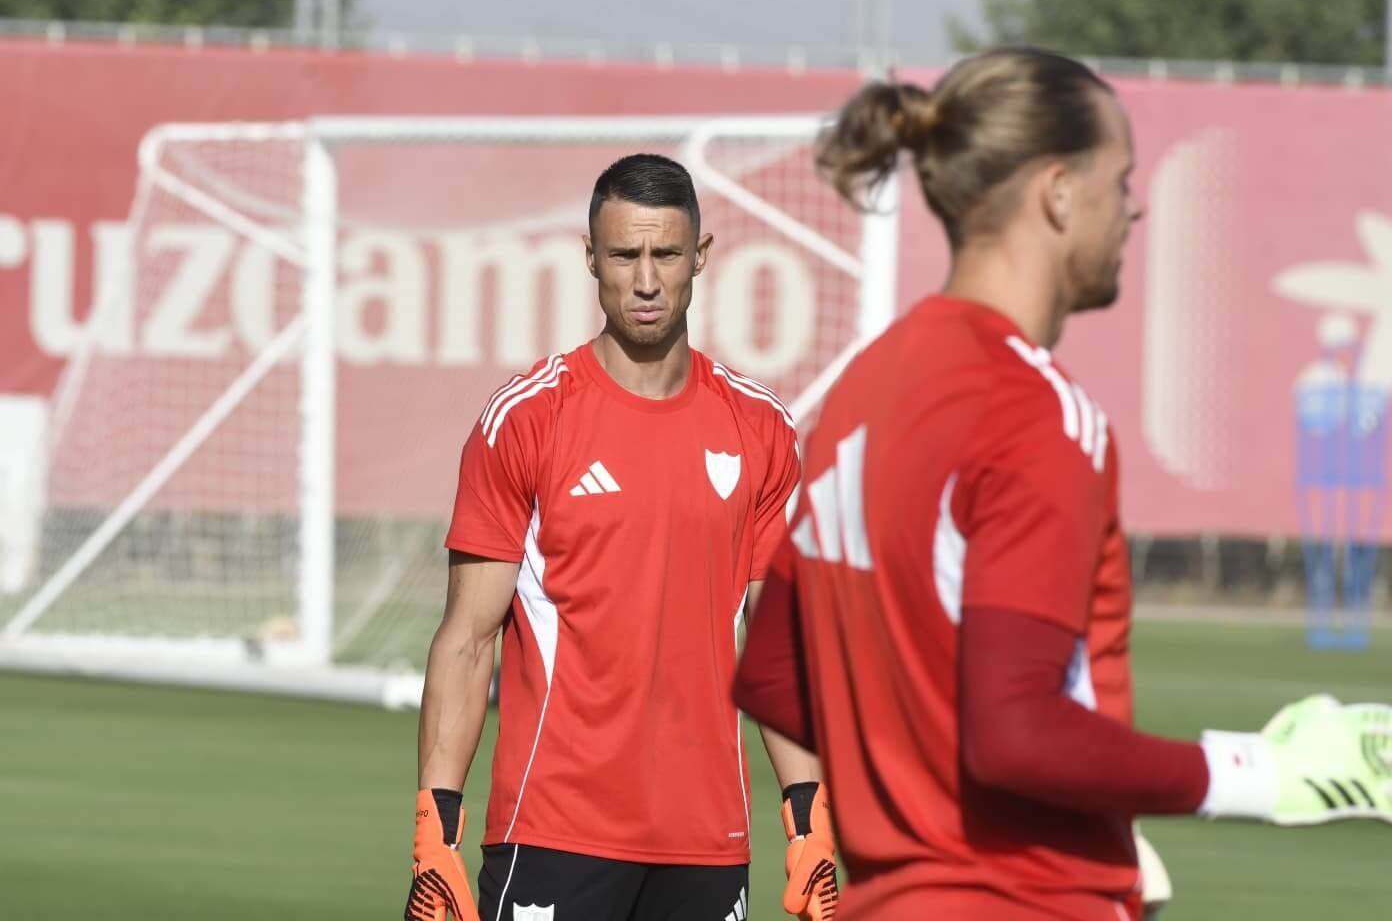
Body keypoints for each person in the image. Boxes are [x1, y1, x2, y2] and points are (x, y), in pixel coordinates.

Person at [733, 47, 1392, 921]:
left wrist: (1040, 803)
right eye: (1119, 181)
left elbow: (773, 676)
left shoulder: (859, 395)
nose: (1135, 208)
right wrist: (1268, 773)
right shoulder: (1034, 409)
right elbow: (1015, 734)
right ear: (1057, 193)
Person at [404, 153, 839, 921]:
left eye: (666, 255)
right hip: (554, 830)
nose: (645, 281)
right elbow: (468, 640)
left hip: (710, 841)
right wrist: (434, 835)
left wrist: (810, 820)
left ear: (700, 258)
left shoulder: (761, 429)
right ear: (590, 258)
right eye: (625, 255)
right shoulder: (527, 419)